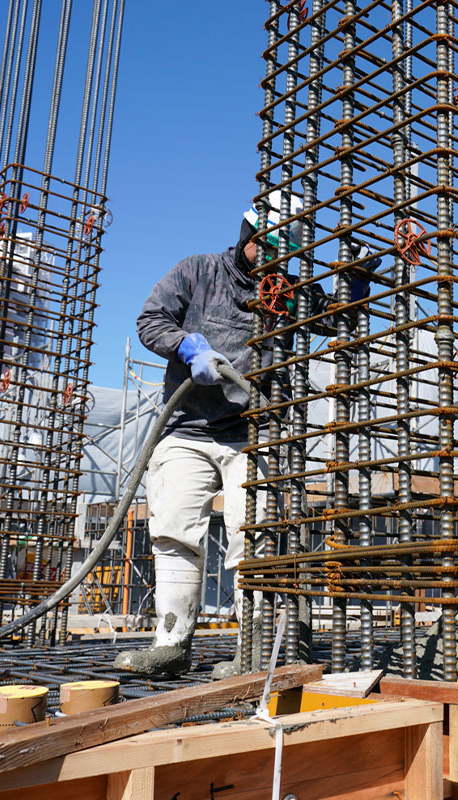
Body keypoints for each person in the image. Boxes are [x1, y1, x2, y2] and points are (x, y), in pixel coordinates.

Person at [116, 192, 336, 676]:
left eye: (282, 254)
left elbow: (337, 315)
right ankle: (171, 643)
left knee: (250, 534)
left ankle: (251, 649)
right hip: (186, 426)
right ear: (247, 237)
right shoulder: (198, 271)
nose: (270, 260)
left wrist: (357, 285)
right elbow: (151, 320)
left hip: (252, 431)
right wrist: (188, 346)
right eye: (264, 247)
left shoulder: (289, 288)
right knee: (174, 529)